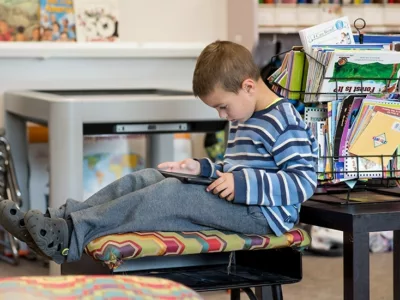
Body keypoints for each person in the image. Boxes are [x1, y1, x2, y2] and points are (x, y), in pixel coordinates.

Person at [0, 41, 318, 264]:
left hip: (263, 215)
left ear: (248, 86)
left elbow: (304, 181)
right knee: (149, 176)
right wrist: (200, 169)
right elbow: (234, 169)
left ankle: (70, 236)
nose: (222, 115)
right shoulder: (243, 114)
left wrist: (242, 185)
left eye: (223, 106)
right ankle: (58, 220)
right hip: (240, 201)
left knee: (169, 194)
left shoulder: (284, 120)